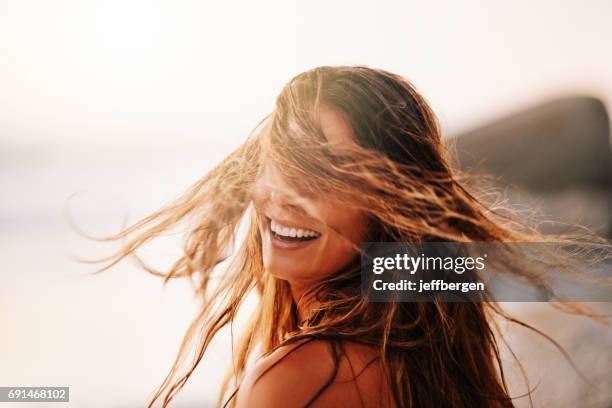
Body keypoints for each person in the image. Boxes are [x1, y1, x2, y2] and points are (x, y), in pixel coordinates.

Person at [96, 66, 606, 407]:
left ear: (393, 203)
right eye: (284, 162)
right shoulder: (442, 361)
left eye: (330, 172)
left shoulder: (297, 380)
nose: (287, 194)